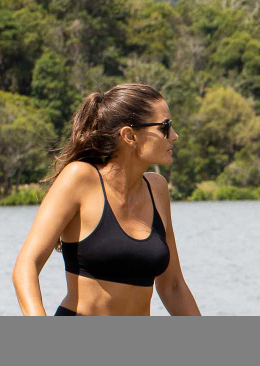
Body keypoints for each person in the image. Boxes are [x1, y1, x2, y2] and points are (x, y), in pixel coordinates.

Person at [13, 83, 200, 315]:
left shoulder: (157, 189)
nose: (174, 135)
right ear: (129, 135)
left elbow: (173, 287)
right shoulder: (79, 178)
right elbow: (26, 266)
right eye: (165, 127)